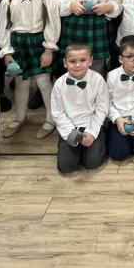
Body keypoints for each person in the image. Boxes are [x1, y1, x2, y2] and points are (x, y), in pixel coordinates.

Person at [0, 0, 60, 140]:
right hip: (18, 45)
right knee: (21, 82)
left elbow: (53, 25)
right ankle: (20, 117)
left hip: (39, 43)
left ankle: (51, 119)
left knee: (43, 82)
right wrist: (7, 52)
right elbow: (3, 28)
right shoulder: (8, 1)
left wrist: (49, 49)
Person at [51, 42, 109, 174]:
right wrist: (72, 133)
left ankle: (98, 141)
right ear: (65, 63)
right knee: (66, 166)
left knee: (93, 163)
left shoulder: (98, 80)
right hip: (70, 126)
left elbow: (101, 109)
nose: (77, 65)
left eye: (83, 60)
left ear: (90, 61)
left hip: (91, 124)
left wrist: (92, 133)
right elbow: (58, 114)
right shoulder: (59, 84)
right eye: (72, 61)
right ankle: (75, 151)